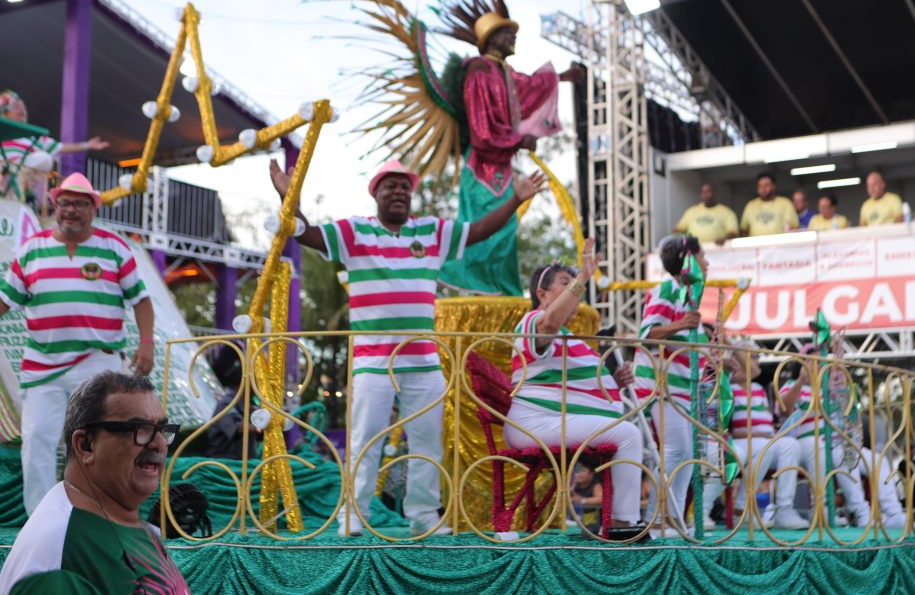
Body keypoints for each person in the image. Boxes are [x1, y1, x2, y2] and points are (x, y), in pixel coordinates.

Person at [269, 157, 543, 537]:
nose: (399, 192)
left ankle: (423, 515)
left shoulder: (430, 230)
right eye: (390, 186)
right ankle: (355, 513)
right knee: (366, 438)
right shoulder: (355, 231)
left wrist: (514, 199)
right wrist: (289, 196)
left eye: (404, 187)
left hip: (423, 360)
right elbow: (306, 233)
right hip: (372, 360)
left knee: (428, 440)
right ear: (375, 193)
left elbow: (479, 231)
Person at [0, 173, 154, 515]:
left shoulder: (114, 248)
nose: (71, 210)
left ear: (93, 208)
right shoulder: (31, 249)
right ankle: (42, 523)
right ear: (54, 205)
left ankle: (102, 515)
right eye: (65, 203)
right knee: (38, 441)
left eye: (80, 204)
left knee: (103, 442)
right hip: (43, 365)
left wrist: (146, 343)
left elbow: (141, 301)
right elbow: (4, 300)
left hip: (99, 364)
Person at [437, 0, 582, 296]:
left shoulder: (504, 72)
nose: (513, 37)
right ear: (490, 40)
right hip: (483, 169)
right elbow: (481, 131)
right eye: (506, 33)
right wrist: (516, 141)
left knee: (506, 231)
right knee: (482, 229)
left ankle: (498, 290)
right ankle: (474, 288)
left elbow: (530, 85)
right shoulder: (478, 70)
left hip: (501, 168)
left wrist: (563, 78)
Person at [0, 371, 188, 594]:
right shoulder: (61, 557)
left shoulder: (127, 521)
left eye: (162, 430)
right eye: (141, 430)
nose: (158, 444)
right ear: (86, 445)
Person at [504, 238, 642, 532]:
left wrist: (613, 381)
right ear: (542, 294)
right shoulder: (533, 321)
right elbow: (549, 325)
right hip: (536, 422)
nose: (574, 291)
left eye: (573, 285)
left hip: (550, 420)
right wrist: (583, 276)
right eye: (564, 284)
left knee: (633, 435)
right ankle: (621, 524)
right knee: (629, 435)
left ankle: (633, 519)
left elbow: (572, 381)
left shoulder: (567, 335)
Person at [633, 235, 716, 534]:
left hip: (683, 390)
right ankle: (657, 518)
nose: (708, 263)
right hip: (662, 388)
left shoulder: (688, 295)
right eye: (703, 256)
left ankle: (673, 519)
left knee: (687, 455)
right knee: (677, 452)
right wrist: (682, 325)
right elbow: (646, 334)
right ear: (689, 262)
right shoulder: (668, 289)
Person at [779, 362, 910, 528]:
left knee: (878, 460)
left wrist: (844, 396)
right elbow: (784, 408)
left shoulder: (832, 392)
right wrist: (800, 381)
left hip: (840, 446)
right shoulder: (792, 386)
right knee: (844, 457)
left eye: (822, 363)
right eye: (815, 362)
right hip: (813, 446)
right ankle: (861, 513)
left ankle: (894, 513)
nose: (819, 367)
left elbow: (853, 425)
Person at [701, 340, 809, 531]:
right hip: (740, 441)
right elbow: (730, 427)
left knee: (790, 445)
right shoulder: (729, 384)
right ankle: (735, 507)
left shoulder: (758, 388)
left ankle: (783, 508)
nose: (757, 360)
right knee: (762, 447)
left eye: (757, 356)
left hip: (764, 442)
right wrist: (734, 346)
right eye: (753, 356)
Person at [0, 89, 109, 199]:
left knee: (45, 159)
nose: (22, 111)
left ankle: (19, 192)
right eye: (16, 107)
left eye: (23, 108)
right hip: (5, 173)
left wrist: (87, 145)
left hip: (21, 179)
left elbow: (61, 147)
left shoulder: (36, 138)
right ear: (5, 112)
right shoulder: (3, 133)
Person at [673, 183, 738, 245]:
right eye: (703, 192)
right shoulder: (691, 211)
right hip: (695, 251)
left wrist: (724, 239)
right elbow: (678, 229)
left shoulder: (727, 212)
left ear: (714, 193)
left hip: (718, 251)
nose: (705, 195)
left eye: (708, 192)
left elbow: (733, 233)